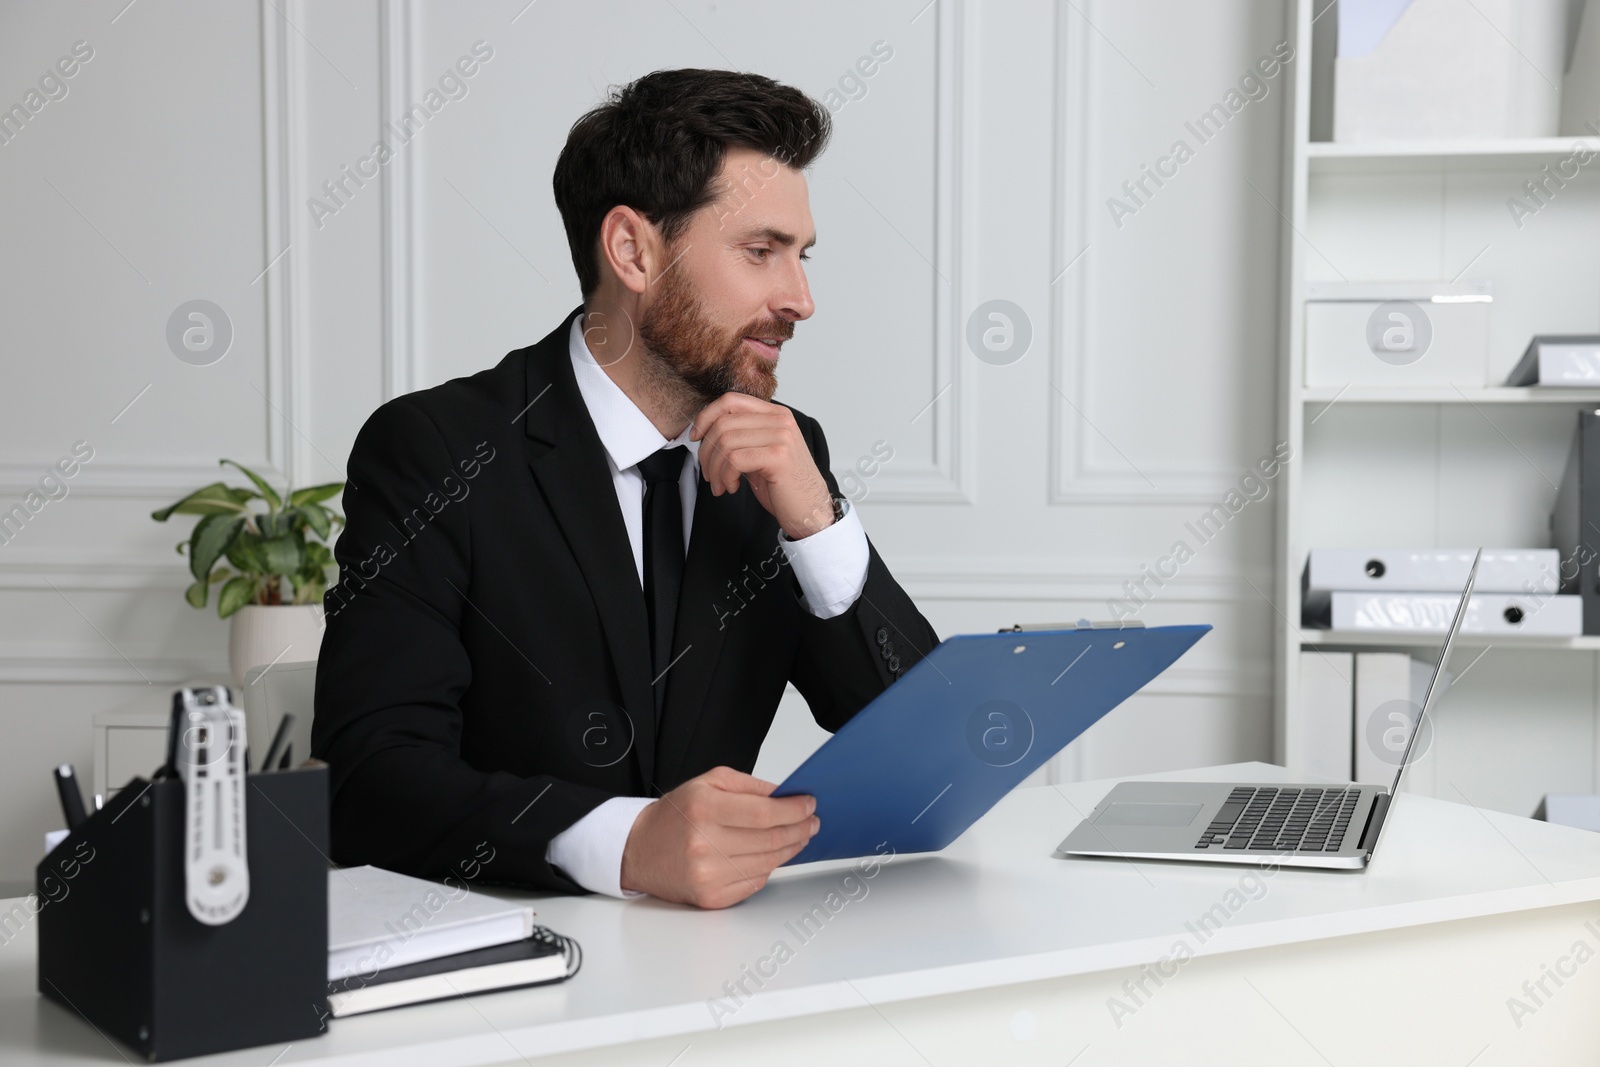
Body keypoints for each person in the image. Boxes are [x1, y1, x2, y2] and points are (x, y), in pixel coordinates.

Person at [312, 68, 938, 909]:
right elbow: (368, 783)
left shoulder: (784, 456)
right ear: (634, 250)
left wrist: (818, 526)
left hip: (721, 980)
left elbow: (930, 752)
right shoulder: (434, 451)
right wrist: (627, 841)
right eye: (761, 252)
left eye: (802, 256)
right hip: (509, 979)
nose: (801, 299)